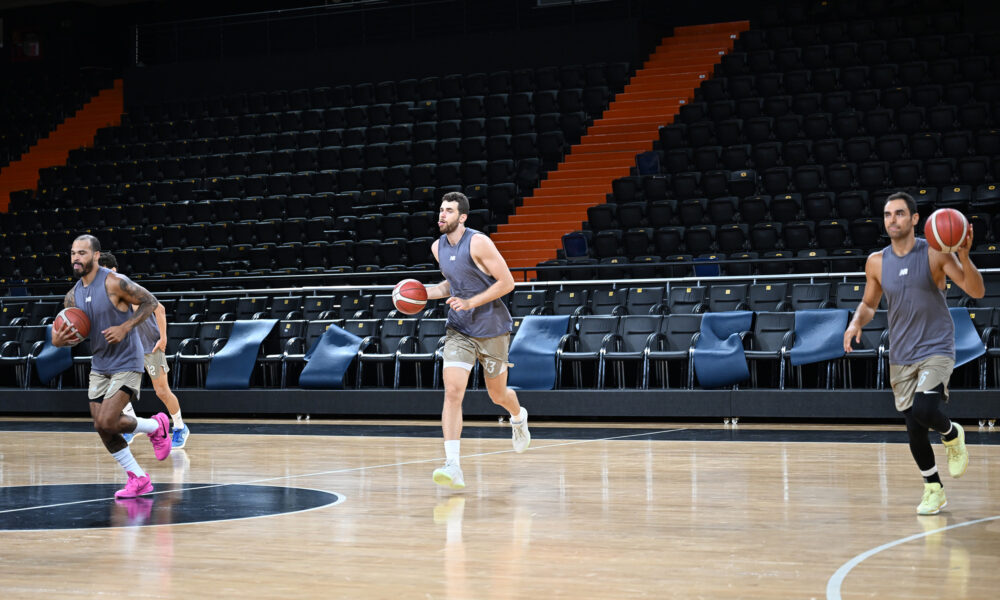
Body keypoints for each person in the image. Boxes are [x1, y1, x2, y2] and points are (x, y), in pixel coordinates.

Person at [844, 192, 984, 515]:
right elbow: (869, 304)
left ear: (915, 219)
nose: (892, 220)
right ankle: (933, 488)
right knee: (914, 425)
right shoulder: (876, 262)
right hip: (901, 352)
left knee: (925, 408)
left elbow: (976, 290)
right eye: (887, 214)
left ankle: (952, 434)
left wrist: (964, 256)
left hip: (936, 347)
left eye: (899, 213)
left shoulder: (935, 254)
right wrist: (856, 323)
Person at [52, 235, 172, 498]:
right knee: (102, 426)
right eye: (73, 253)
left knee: (108, 420)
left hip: (127, 360)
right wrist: (58, 341)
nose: (76, 258)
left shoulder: (115, 282)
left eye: (82, 253)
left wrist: (125, 327)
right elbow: (68, 334)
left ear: (96, 255)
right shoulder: (73, 296)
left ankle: (156, 427)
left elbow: (151, 302)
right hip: (100, 365)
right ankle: (139, 476)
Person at [424, 192, 530, 489]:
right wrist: (422, 293)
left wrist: (471, 303)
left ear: (463, 217)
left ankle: (518, 416)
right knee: (453, 391)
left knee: (497, 395)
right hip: (459, 330)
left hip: (493, 329)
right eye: (441, 209)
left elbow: (507, 282)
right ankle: (453, 464)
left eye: (448, 211)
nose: (442, 214)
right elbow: (452, 284)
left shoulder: (478, 242)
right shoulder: (437, 247)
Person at [98, 252, 190, 448]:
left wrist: (163, 338)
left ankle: (180, 427)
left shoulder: (130, 288)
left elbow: (160, 309)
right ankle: (132, 427)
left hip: (150, 347)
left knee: (162, 391)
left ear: (114, 270)